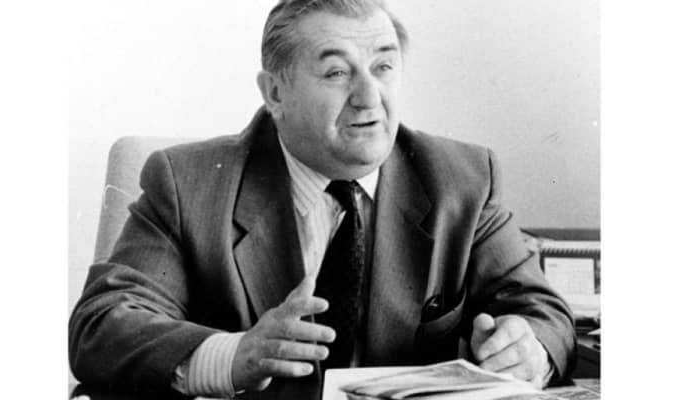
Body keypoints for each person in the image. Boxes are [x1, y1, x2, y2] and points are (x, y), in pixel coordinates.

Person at [68, 1, 576, 399]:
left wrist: (527, 348)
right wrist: (232, 356)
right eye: (336, 73)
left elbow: (541, 310)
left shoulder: (461, 179)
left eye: (383, 66)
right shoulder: (188, 183)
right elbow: (103, 323)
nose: (369, 96)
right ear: (275, 94)